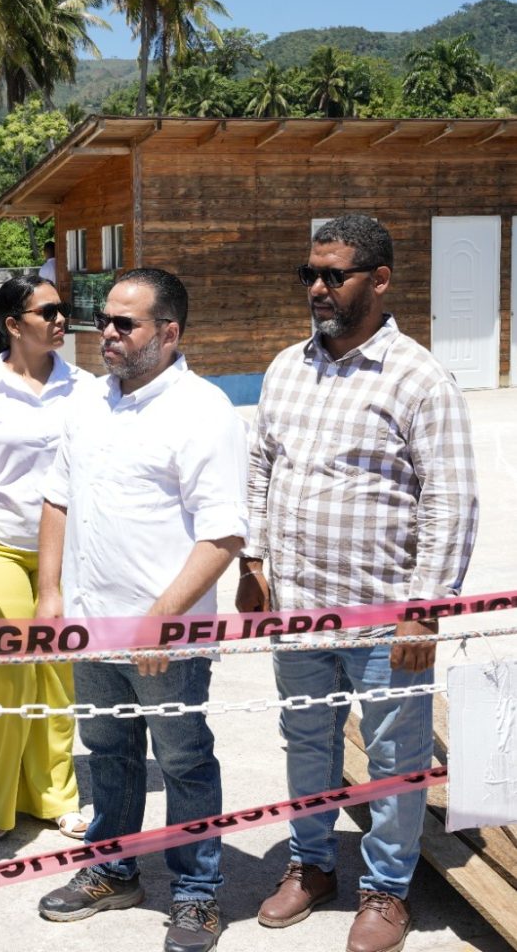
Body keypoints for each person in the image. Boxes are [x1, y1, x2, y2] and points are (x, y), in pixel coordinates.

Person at [236, 215, 478, 952]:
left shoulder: (417, 378)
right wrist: (252, 561)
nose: (316, 287)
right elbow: (259, 465)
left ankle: (385, 889)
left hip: (384, 619)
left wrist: (421, 612)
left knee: (393, 757)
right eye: (309, 273)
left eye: (332, 274)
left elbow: (450, 501)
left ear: (377, 280)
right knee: (304, 740)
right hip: (299, 612)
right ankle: (310, 865)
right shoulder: (286, 367)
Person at [36, 268, 249, 952]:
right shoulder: (86, 402)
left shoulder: (202, 410)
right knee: (108, 753)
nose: (107, 333)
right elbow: (56, 499)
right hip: (92, 627)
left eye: (125, 324)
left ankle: (195, 894)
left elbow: (222, 535)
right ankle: (112, 869)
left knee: (183, 760)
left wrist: (163, 616)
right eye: (104, 320)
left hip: (166, 637)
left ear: (169, 332)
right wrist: (48, 595)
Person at [0, 275, 89, 841]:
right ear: (14, 325)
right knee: (7, 674)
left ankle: (56, 794)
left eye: (62, 309)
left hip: (63, 552)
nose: (61, 319)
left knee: (56, 675)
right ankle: (4, 799)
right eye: (48, 311)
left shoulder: (85, 388)